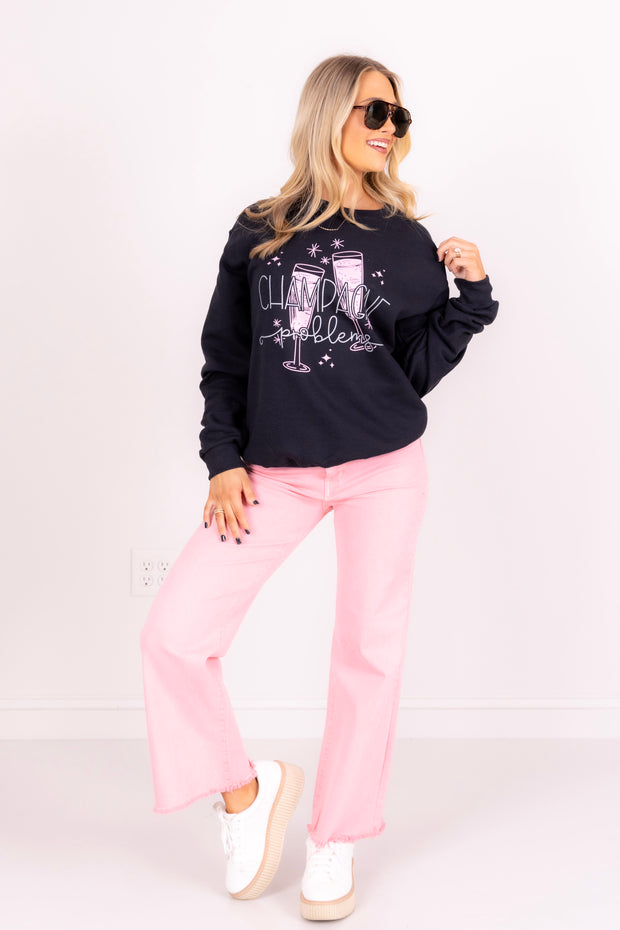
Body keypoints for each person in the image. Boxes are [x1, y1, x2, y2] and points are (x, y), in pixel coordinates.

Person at [139, 53, 499, 922]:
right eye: (375, 112)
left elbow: (409, 371)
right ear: (329, 113)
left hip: (384, 469)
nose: (389, 130)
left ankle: (335, 836)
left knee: (368, 651)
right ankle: (244, 792)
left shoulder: (407, 243)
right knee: (173, 635)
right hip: (274, 472)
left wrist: (471, 298)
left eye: (399, 117)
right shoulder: (260, 231)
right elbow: (225, 357)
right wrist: (223, 459)